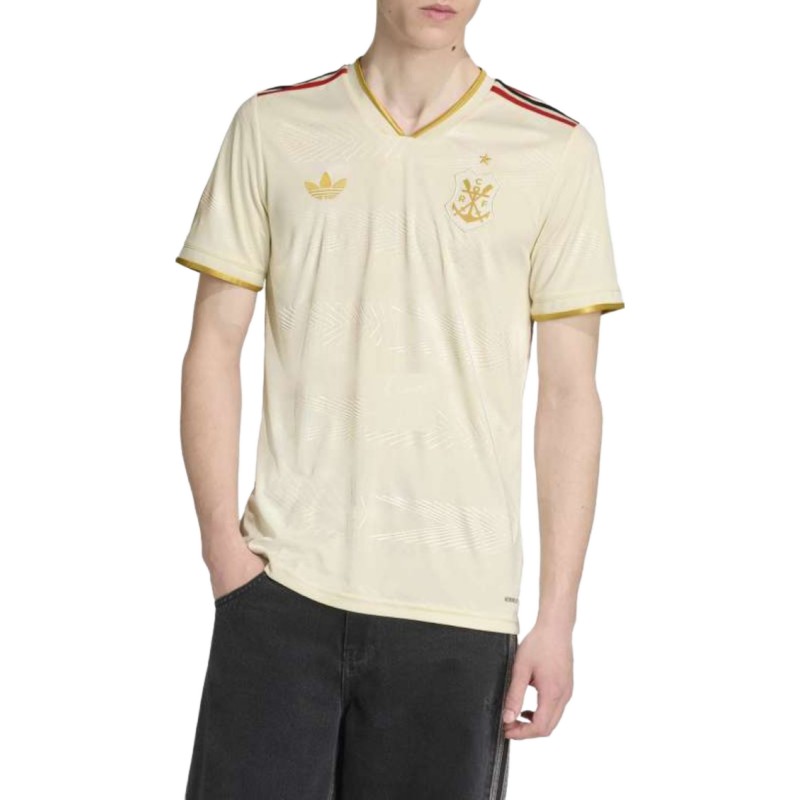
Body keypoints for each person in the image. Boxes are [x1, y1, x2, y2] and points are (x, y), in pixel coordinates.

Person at [174, 1, 624, 797]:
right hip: (281, 589)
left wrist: (557, 617)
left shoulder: (554, 150)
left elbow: (569, 396)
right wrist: (223, 551)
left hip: (460, 612)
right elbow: (213, 343)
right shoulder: (272, 126)